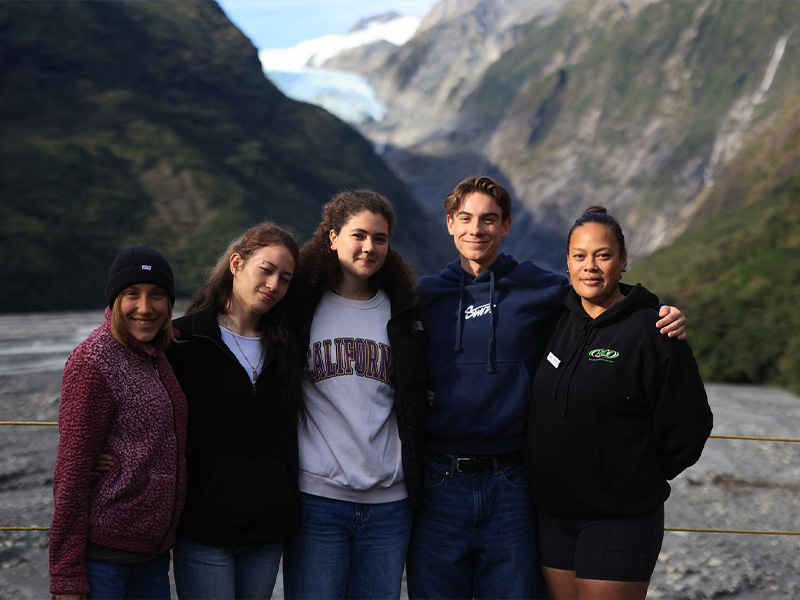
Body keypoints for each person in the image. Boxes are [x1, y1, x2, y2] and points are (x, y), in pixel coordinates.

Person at [406, 176, 687, 600]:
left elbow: (599, 293)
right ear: (449, 223)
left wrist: (656, 310)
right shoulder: (424, 295)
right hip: (439, 478)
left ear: (506, 226)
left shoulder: (539, 286)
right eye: (465, 218)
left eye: (489, 219)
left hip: (513, 480)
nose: (476, 229)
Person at [525, 206, 713, 599]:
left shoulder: (653, 332)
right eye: (579, 256)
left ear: (623, 260)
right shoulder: (552, 322)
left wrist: (634, 474)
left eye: (603, 255)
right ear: (567, 262)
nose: (590, 266)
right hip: (553, 515)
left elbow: (690, 425)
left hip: (619, 519)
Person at [282, 189, 428, 600]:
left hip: (390, 506)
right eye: (358, 235)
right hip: (318, 502)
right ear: (332, 237)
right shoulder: (300, 307)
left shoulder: (403, 311)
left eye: (380, 238)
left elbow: (417, 388)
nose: (369, 247)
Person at [167, 222, 305, 600]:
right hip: (204, 529)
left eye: (285, 278)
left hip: (266, 529)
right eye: (266, 269)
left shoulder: (287, 348)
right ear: (236, 264)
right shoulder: (184, 340)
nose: (274, 284)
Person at [50, 246, 187, 600]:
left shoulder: (158, 356)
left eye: (157, 294)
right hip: (105, 560)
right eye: (133, 294)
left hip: (152, 557)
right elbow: (72, 471)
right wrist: (66, 574)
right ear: (115, 299)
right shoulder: (93, 360)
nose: (145, 307)